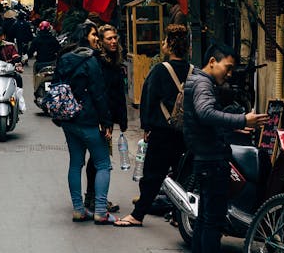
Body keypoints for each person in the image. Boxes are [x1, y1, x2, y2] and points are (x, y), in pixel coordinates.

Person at [182, 42, 267, 253]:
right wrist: (242, 119)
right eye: (227, 68)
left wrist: (231, 126)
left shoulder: (198, 81)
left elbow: (205, 119)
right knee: (213, 222)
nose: (228, 74)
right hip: (211, 159)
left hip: (205, 156)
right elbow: (205, 113)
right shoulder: (203, 84)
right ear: (212, 62)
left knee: (204, 219)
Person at [115, 24, 190, 227]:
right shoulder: (194, 71)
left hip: (162, 132)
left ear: (169, 46)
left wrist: (146, 128)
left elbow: (147, 100)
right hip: (187, 133)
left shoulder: (159, 70)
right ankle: (178, 217)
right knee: (182, 177)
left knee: (152, 176)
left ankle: (137, 215)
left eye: (165, 41)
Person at [55, 21, 115, 224]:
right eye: (93, 35)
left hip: (68, 119)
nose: (97, 38)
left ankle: (79, 209)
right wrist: (106, 121)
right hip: (89, 119)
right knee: (103, 163)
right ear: (85, 37)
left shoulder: (64, 58)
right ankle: (100, 211)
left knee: (75, 163)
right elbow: (99, 94)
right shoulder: (92, 60)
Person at [83, 24, 128, 215]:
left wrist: (122, 119)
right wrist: (105, 120)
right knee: (98, 160)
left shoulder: (114, 62)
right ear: (100, 42)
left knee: (97, 158)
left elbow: (118, 94)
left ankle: (92, 197)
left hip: (108, 118)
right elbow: (100, 93)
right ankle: (94, 199)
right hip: (100, 118)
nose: (113, 41)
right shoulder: (98, 63)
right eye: (109, 38)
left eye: (115, 38)